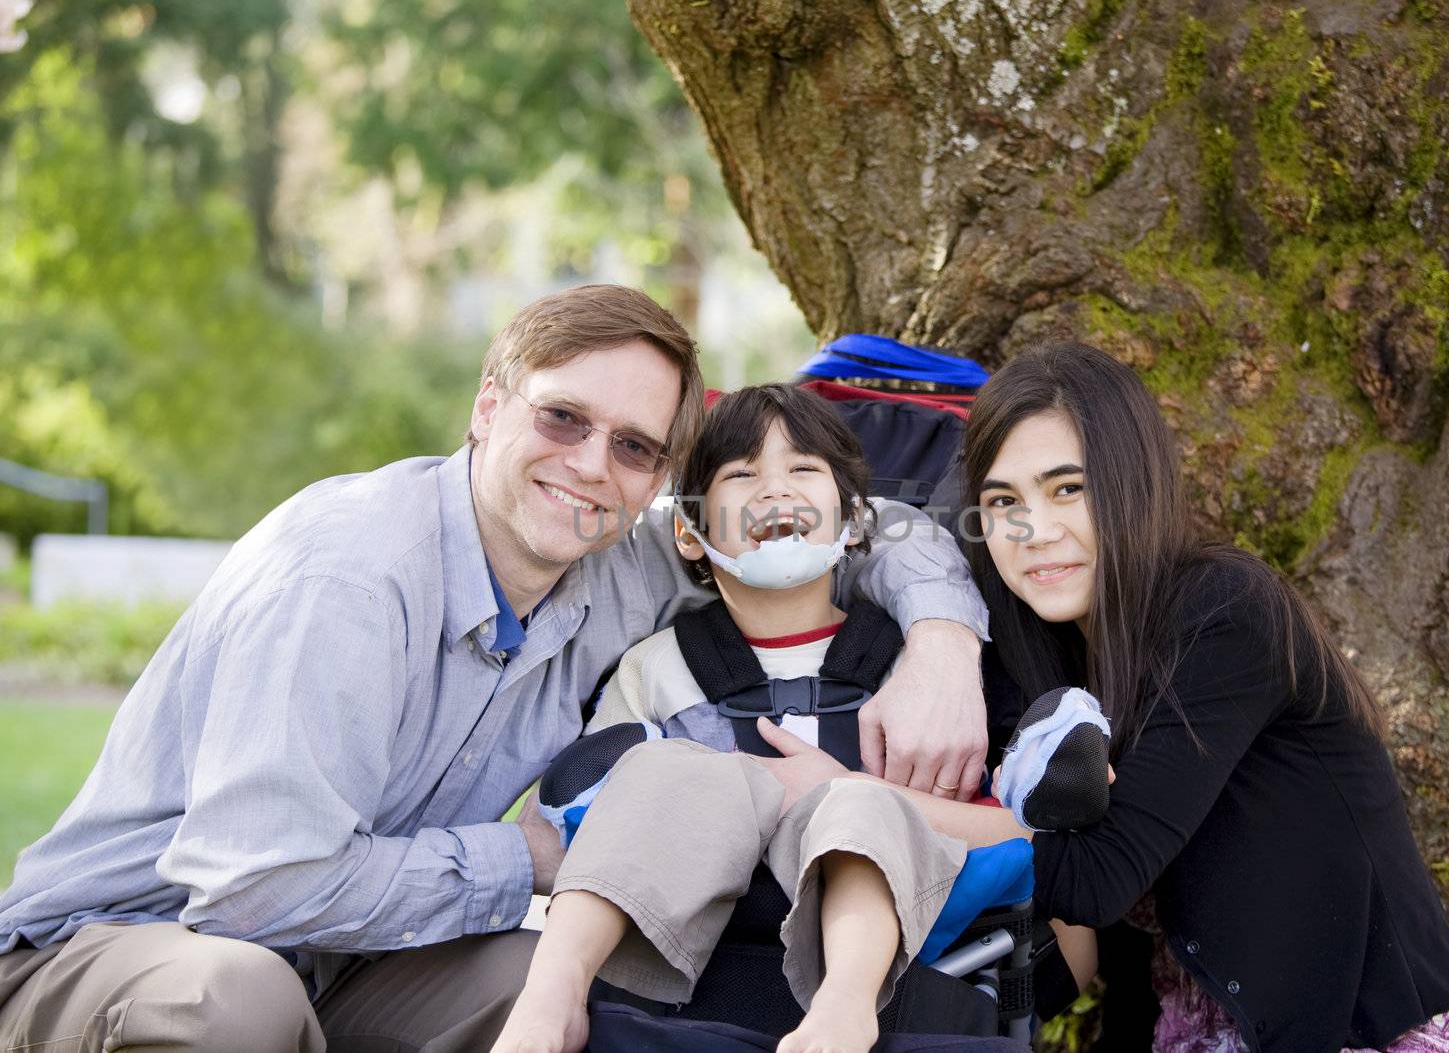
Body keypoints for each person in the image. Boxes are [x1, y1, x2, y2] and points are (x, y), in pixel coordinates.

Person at [0, 286, 993, 1053]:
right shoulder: (348, 574)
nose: (592, 464)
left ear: (655, 482)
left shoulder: (614, 565)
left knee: (564, 987)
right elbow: (248, 891)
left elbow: (841, 528)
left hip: (350, 957)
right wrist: (530, 858)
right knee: (236, 996)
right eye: (563, 418)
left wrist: (945, 640)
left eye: (636, 446)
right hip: (120, 943)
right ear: (487, 404)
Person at [488, 385, 1097, 1053]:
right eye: (743, 475)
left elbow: (984, 825)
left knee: (858, 806)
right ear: (688, 532)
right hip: (697, 907)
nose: (776, 490)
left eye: (803, 471)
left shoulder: (914, 674)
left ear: (855, 523)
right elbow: (603, 809)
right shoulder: (657, 666)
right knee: (654, 769)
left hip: (885, 906)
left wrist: (840, 792)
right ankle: (553, 991)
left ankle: (843, 1004)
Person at [957, 342, 1449, 1052]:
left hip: (1356, 1031)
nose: (1036, 531)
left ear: (1132, 483)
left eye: (1067, 489)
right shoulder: (1050, 661)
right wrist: (935, 643)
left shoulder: (1224, 611)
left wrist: (864, 806)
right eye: (1003, 501)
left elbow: (1093, 878)